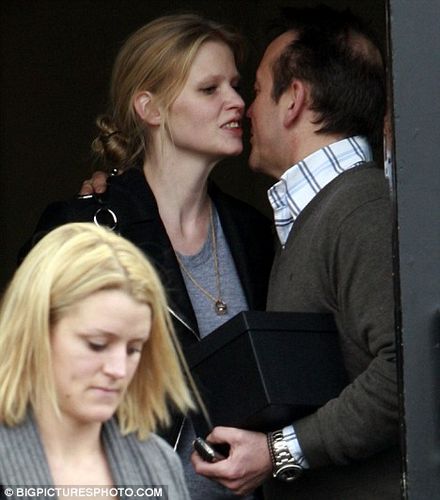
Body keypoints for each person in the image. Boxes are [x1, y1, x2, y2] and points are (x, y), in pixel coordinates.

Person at [22, 14, 274, 500]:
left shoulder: (254, 233)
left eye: (236, 85)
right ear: (150, 108)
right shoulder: (86, 230)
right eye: (210, 89)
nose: (238, 102)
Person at [191, 6, 400, 499]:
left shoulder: (361, 208)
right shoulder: (316, 213)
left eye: (257, 90)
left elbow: (407, 372)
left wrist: (279, 451)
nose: (246, 108)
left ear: (293, 100)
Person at [0, 223, 192, 499]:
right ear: (35, 330)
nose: (118, 370)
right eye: (97, 344)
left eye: (134, 349)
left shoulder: (159, 463)